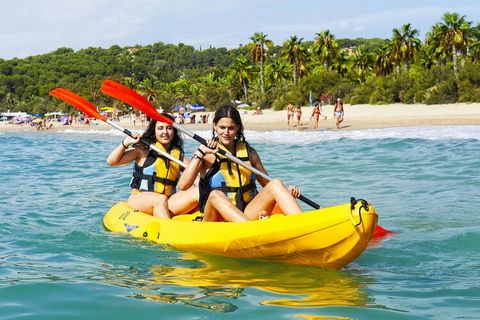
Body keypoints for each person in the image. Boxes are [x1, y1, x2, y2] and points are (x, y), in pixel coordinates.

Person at [177, 105, 302, 222]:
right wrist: (200, 152)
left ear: (237, 127)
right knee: (216, 195)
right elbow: (183, 186)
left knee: (276, 183)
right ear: (215, 126)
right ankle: (252, 230)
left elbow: (267, 185)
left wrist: (287, 192)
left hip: (245, 214)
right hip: (215, 218)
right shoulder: (206, 153)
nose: (226, 132)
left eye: (231, 128)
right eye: (222, 127)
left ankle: (303, 224)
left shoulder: (249, 152)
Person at [107, 114, 198, 219]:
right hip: (140, 198)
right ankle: (167, 230)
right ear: (154, 130)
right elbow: (111, 161)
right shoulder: (142, 150)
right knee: (160, 199)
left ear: (174, 131)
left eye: (169, 128)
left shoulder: (178, 157)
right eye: (160, 128)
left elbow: (198, 181)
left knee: (197, 192)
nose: (165, 132)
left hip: (168, 200)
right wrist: (126, 143)